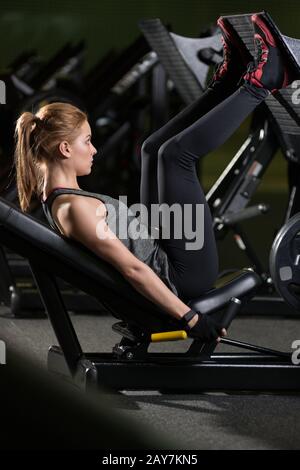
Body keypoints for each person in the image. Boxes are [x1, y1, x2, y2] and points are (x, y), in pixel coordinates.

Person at [14, 14, 294, 343]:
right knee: (177, 157)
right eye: (86, 141)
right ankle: (264, 80)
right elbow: (132, 270)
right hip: (182, 274)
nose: (94, 150)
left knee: (152, 150)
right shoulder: (75, 210)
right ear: (63, 148)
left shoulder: (62, 198)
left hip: (164, 244)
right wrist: (189, 318)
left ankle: (231, 77)